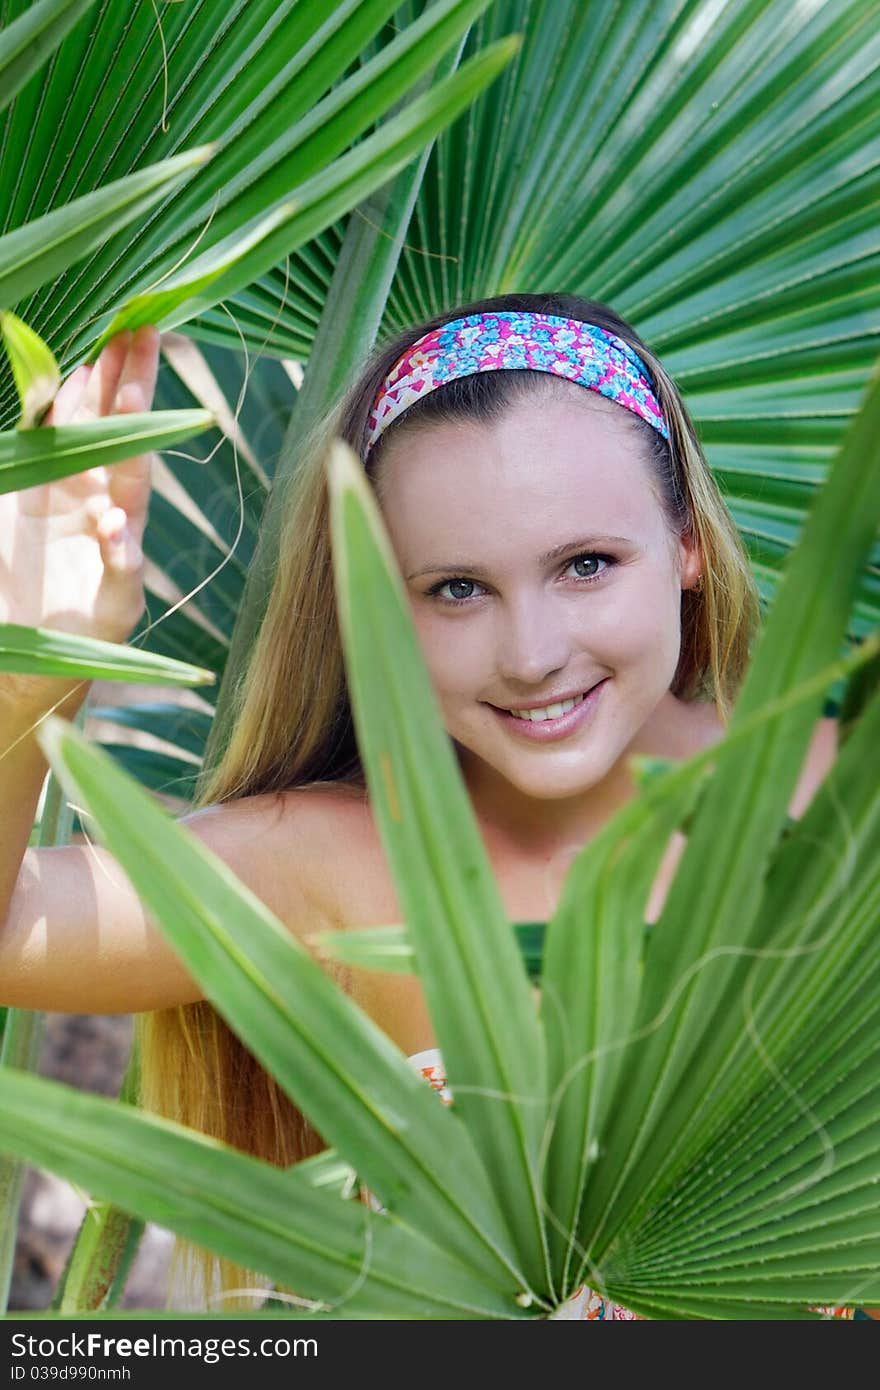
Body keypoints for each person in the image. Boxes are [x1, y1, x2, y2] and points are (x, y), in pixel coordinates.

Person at [0, 292, 854, 1318]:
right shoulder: (325, 866)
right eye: (456, 588)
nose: (532, 654)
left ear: (685, 546)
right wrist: (28, 672)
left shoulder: (848, 802)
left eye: (585, 564)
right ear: (378, 601)